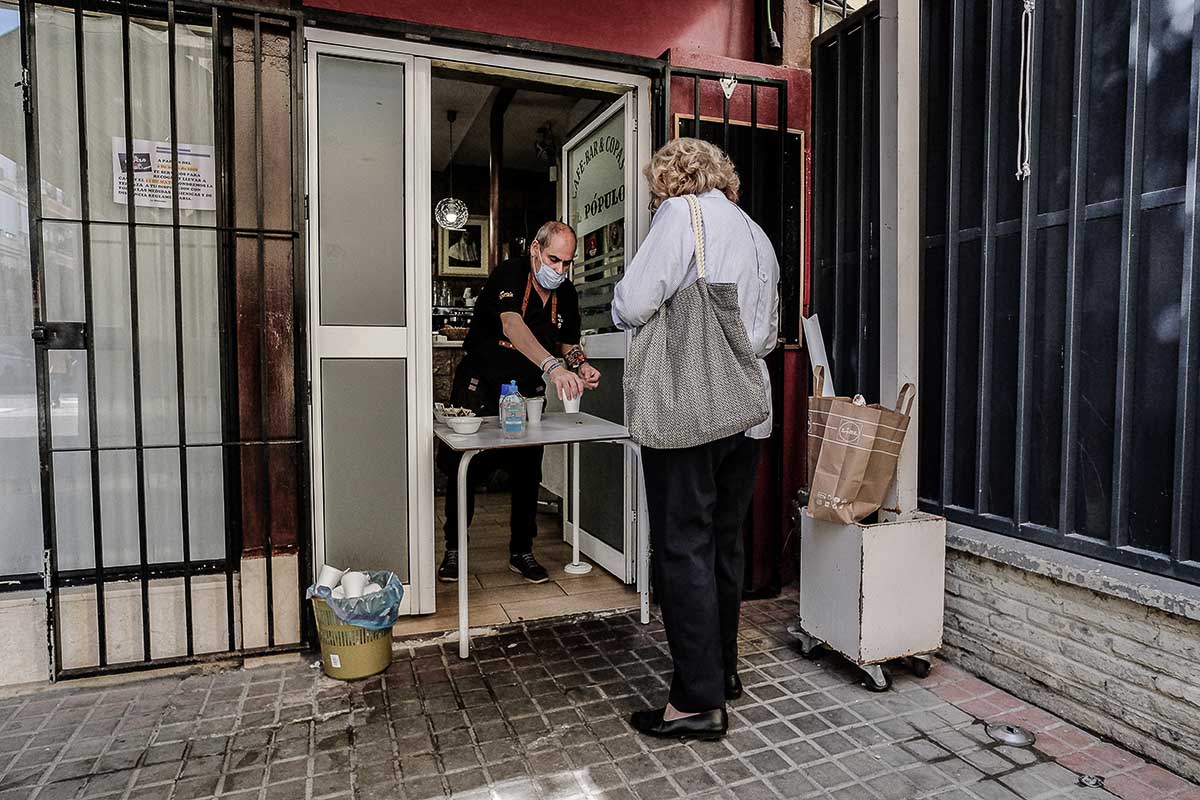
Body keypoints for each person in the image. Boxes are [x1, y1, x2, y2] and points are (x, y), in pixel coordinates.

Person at [611, 138, 779, 741]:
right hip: (747, 412)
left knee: (682, 548)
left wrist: (618, 307)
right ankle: (723, 671)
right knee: (721, 548)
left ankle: (696, 701)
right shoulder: (756, 233)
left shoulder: (683, 215)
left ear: (670, 178)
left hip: (692, 410)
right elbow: (765, 330)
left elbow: (632, 302)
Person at [437, 221, 602, 584]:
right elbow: (511, 325)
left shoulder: (567, 294)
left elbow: (568, 343)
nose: (559, 270)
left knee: (528, 469)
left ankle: (522, 551)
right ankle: (453, 548)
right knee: (466, 467)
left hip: (526, 393)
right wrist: (553, 368)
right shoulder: (509, 274)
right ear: (536, 251)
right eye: (553, 260)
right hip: (480, 385)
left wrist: (581, 364)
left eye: (567, 263)